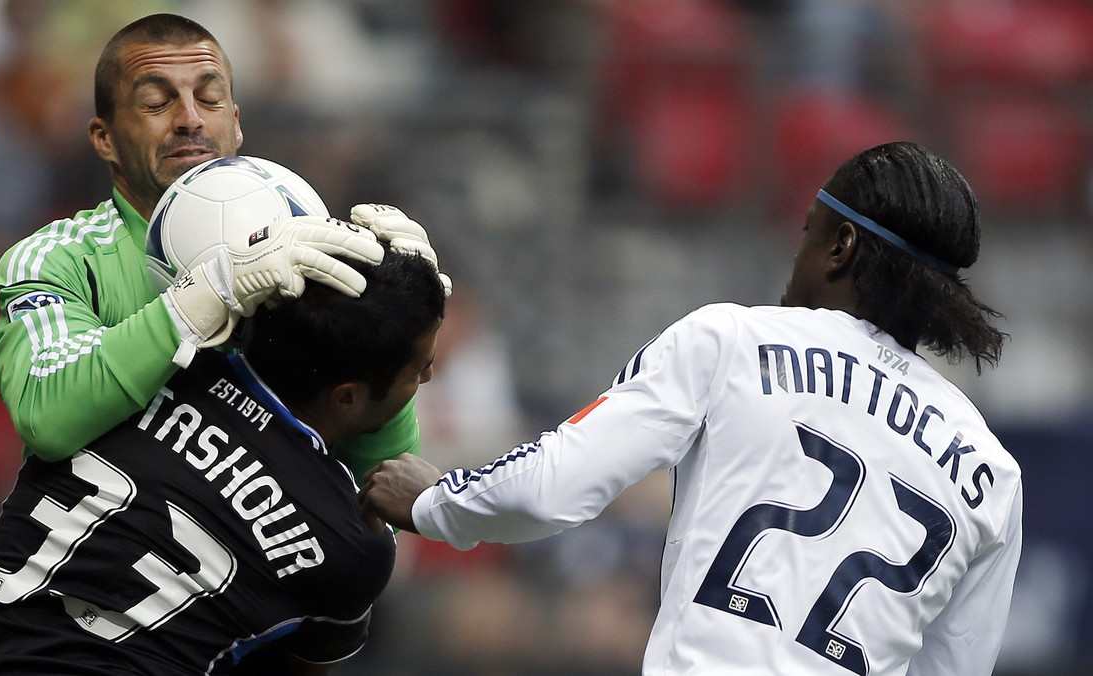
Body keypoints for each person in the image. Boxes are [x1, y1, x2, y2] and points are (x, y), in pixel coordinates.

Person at [361, 141, 1022, 675]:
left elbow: (550, 490)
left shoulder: (732, 340)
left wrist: (435, 500)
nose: (797, 255)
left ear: (841, 246)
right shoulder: (995, 476)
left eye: (807, 234)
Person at [0, 246, 447, 675]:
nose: (425, 379)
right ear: (348, 396)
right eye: (420, 367)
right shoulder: (353, 545)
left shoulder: (149, 366)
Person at [0, 12, 445, 478]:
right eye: (155, 103)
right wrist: (206, 294)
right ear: (104, 139)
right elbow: (47, 414)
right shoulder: (58, 259)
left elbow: (382, 487)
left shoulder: (305, 245)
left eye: (209, 99)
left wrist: (397, 325)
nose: (189, 119)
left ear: (237, 123)